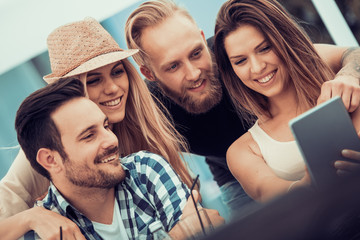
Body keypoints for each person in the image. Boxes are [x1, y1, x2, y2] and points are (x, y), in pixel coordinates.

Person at [124, 0, 360, 215]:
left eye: (196, 53)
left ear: (202, 39)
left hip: (291, 136)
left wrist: (350, 75)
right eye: (173, 66)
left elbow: (345, 55)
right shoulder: (150, 112)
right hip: (232, 166)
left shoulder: (236, 50)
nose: (194, 73)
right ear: (149, 73)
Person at [0, 17, 194, 238]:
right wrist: (32, 217)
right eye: (93, 80)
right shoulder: (44, 154)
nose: (113, 88)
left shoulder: (147, 116)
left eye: (117, 71)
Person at [6, 77, 223, 240]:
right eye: (89, 135)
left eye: (106, 126)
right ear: (50, 160)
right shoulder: (45, 233)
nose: (111, 140)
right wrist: (179, 233)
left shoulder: (146, 169)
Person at [213, 0, 360, 202]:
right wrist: (309, 184)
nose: (256, 68)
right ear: (231, 70)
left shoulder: (344, 91)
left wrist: (350, 76)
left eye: (264, 48)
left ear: (285, 40)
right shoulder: (243, 151)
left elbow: (353, 53)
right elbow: (267, 192)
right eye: (240, 61)